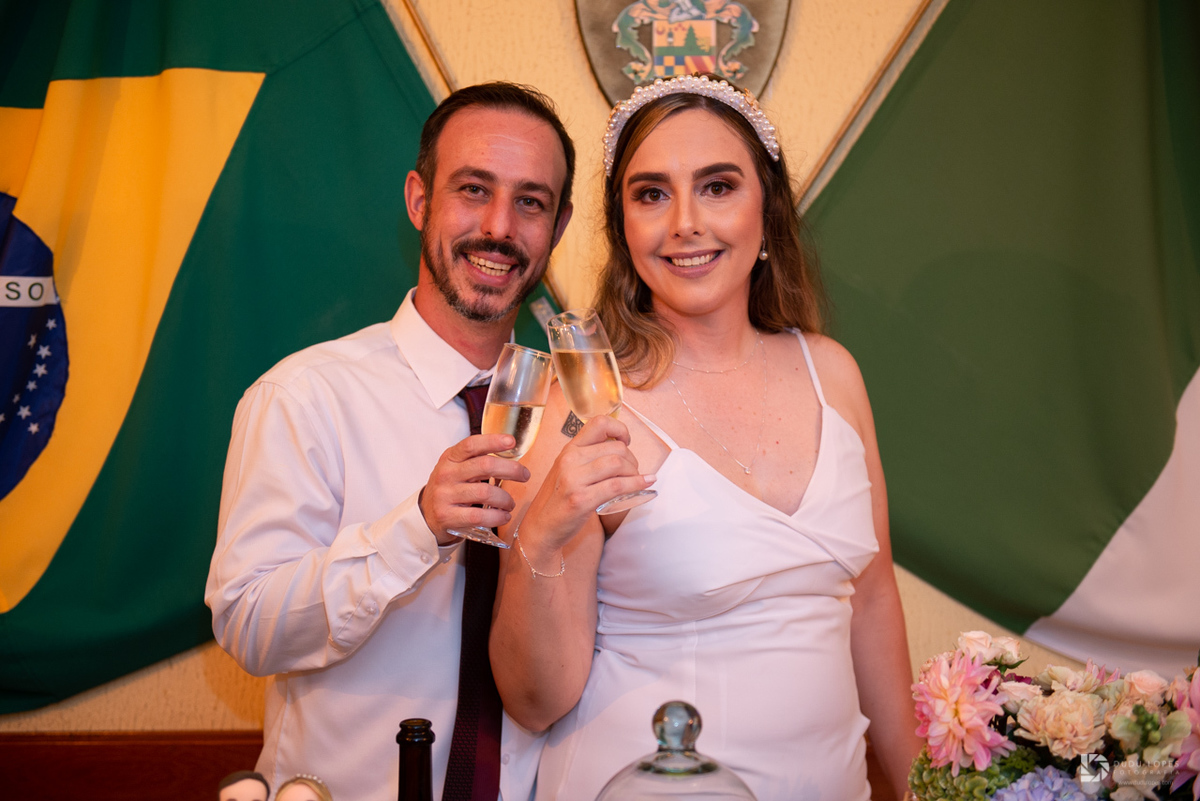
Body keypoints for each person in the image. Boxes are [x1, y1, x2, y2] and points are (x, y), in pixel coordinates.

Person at [490, 74, 922, 801]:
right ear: (623, 229)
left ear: (768, 211)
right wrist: (541, 533)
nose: (685, 223)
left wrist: (920, 788)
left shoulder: (834, 373)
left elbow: (873, 599)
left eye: (717, 187)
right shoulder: (582, 404)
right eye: (652, 194)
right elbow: (535, 701)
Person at [205, 82, 575, 801]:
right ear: (419, 199)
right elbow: (248, 627)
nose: (499, 226)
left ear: (557, 227)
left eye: (530, 202)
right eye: (474, 189)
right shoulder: (304, 396)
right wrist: (416, 528)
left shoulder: (573, 415)